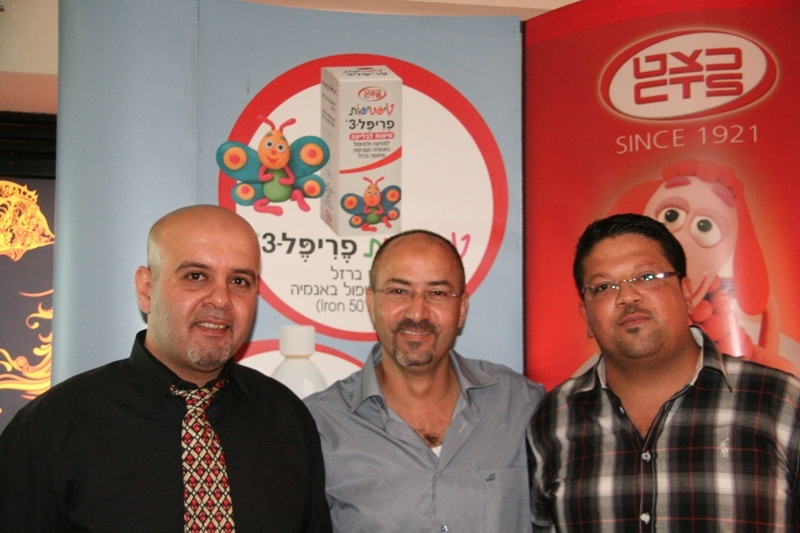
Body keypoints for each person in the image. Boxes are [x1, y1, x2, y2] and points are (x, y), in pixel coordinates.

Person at [0, 205, 332, 532]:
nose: (221, 299)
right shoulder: (53, 426)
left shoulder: (286, 419)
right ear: (146, 288)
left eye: (239, 281)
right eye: (196, 276)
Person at [528, 213, 800, 531]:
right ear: (586, 315)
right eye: (603, 286)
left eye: (646, 277)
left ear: (686, 293)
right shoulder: (553, 419)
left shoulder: (780, 401)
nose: (627, 297)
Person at [304, 229, 544, 532]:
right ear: (371, 303)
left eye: (438, 293)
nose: (417, 313)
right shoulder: (319, 426)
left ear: (462, 309)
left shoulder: (521, 404)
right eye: (399, 291)